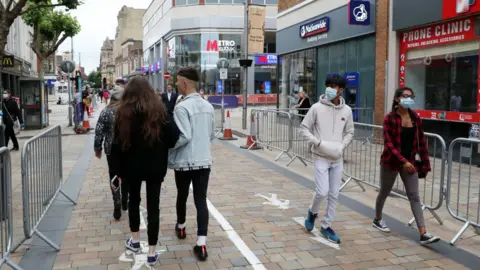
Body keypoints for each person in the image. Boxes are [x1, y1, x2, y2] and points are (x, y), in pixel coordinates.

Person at [110, 76, 179, 265]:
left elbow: (115, 145)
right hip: (155, 167)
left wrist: (116, 171)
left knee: (134, 201)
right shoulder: (159, 112)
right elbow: (173, 138)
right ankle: (152, 250)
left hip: (131, 167)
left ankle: (134, 239)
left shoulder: (122, 113)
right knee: (153, 206)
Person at [373, 87, 440, 245]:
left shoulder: (416, 118)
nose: (409, 99)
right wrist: (403, 161)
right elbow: (389, 144)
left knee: (414, 196)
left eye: (411, 96)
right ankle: (377, 218)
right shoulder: (389, 118)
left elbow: (422, 143)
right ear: (397, 99)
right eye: (405, 96)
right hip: (391, 162)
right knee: (384, 191)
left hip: (410, 163)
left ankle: (423, 233)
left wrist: (425, 165)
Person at [300, 74, 354, 243]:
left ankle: (326, 225)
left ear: (341, 90)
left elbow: (350, 132)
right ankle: (312, 213)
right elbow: (304, 128)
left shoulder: (347, 110)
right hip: (320, 156)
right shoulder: (316, 107)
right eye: (328, 85)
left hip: (337, 158)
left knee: (334, 194)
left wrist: (342, 146)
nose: (331, 88)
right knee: (322, 191)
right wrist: (317, 142)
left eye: (335, 86)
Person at [169, 67, 215, 261]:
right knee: (200, 200)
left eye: (177, 81)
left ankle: (181, 227)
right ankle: (201, 243)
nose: (176, 84)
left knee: (182, 194)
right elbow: (211, 134)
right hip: (204, 160)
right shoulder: (209, 106)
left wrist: (169, 147)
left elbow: (184, 136)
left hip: (185, 161)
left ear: (185, 82)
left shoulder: (181, 108)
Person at [94, 90, 128, 220]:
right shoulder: (128, 111)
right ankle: (125, 199)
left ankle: (117, 201)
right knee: (126, 174)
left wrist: (98, 148)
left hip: (111, 148)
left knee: (114, 174)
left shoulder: (106, 111)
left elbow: (99, 131)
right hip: (127, 147)